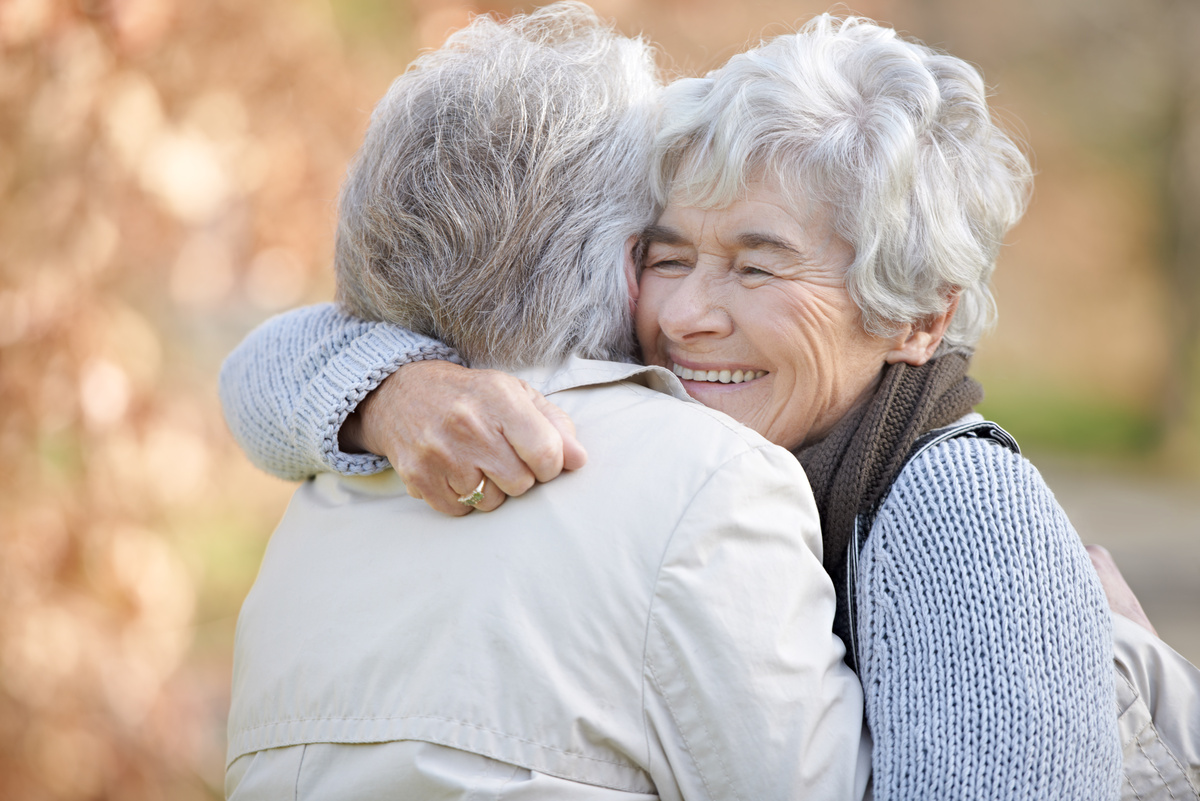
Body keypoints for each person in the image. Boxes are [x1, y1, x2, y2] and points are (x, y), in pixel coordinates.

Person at [221, 12, 1133, 800]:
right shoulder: (579, 436)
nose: (687, 315)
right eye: (665, 256)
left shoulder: (961, 514)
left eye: (758, 264)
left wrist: (1119, 674)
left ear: (918, 317)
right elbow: (266, 362)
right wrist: (396, 389)